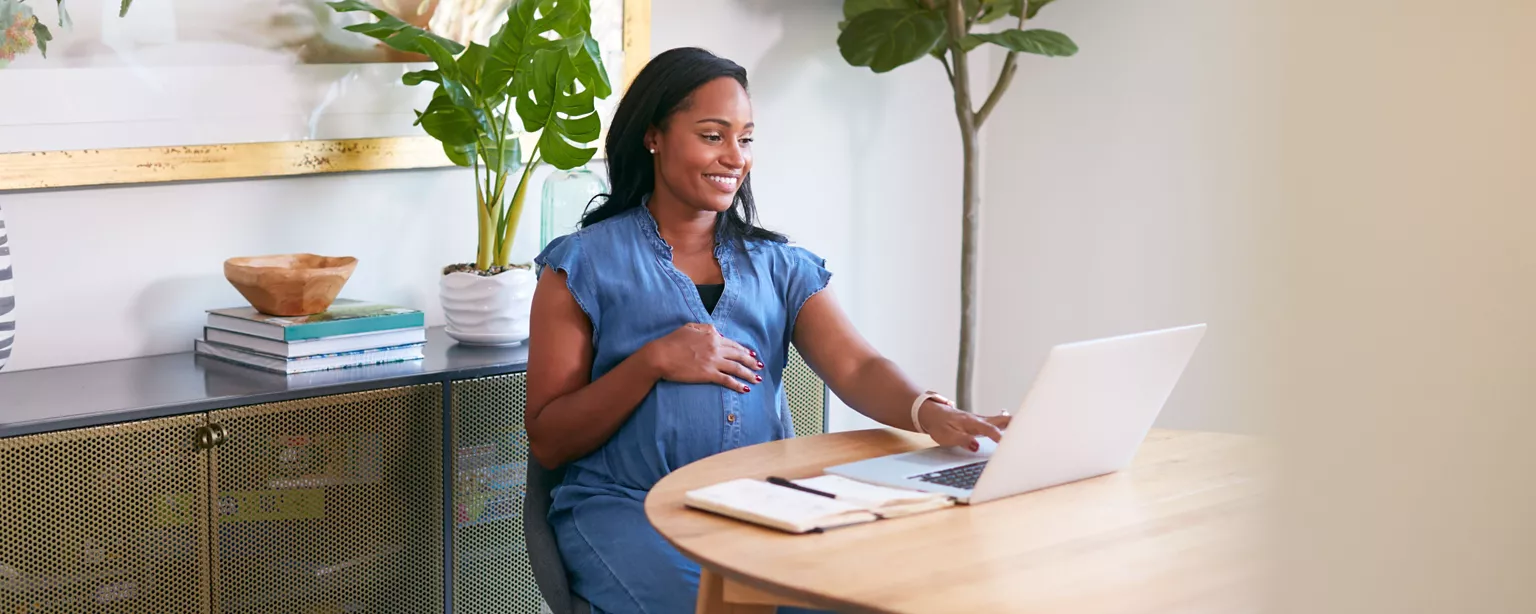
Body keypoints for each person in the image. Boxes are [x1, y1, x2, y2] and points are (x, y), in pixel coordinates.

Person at [525, 46, 1012, 614]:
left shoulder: (778, 265)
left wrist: (929, 411)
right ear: (653, 135)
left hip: (758, 505)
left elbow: (856, 365)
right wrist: (653, 360)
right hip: (627, 511)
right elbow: (550, 438)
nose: (736, 156)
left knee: (867, 596)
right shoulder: (580, 265)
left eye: (746, 138)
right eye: (713, 135)